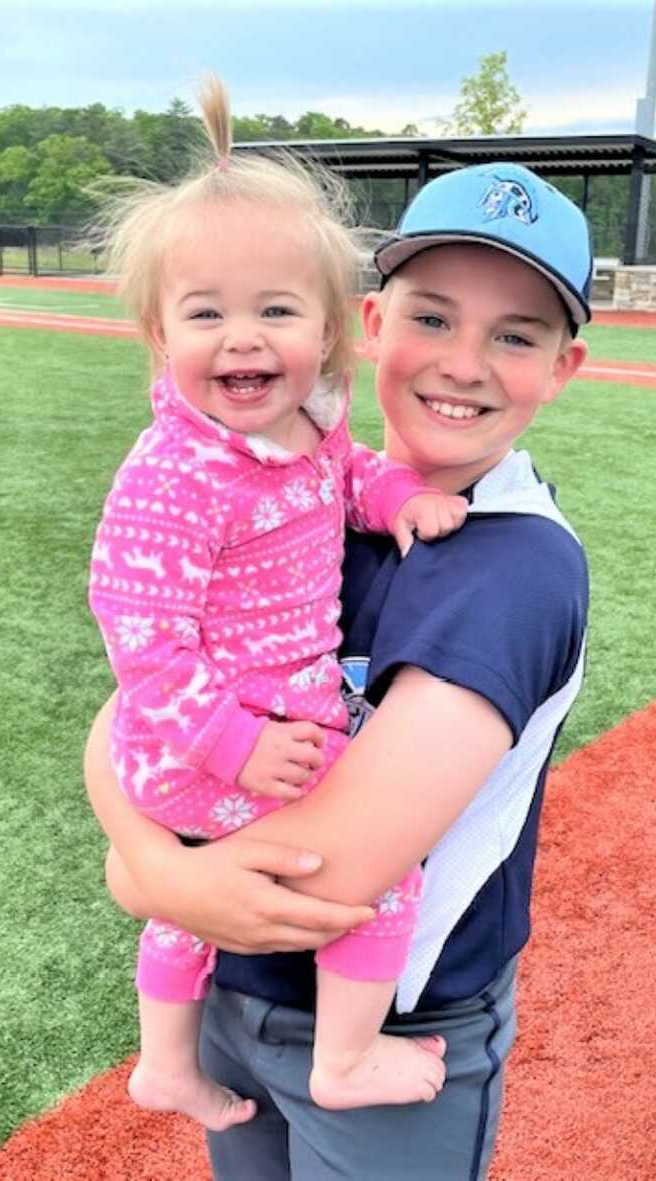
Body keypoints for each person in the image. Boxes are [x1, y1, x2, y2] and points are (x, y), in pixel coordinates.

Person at [84, 158, 592, 1179]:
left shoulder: (515, 571)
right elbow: (119, 717)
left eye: (517, 335)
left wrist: (151, 867)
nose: (464, 362)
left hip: (393, 1018)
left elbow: (343, 868)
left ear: (563, 367)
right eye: (434, 317)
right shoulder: (287, 473)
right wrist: (154, 858)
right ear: (365, 322)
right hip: (233, 1001)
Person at [87, 78, 469, 1134]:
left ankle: (167, 1062)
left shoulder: (302, 425)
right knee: (382, 859)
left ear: (330, 330)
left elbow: (346, 477)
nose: (243, 338)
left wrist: (399, 496)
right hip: (213, 738)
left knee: (193, 897)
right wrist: (233, 744)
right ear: (160, 335)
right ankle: (345, 1054)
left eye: (276, 310)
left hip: (252, 727)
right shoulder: (176, 471)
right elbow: (141, 637)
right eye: (206, 313)